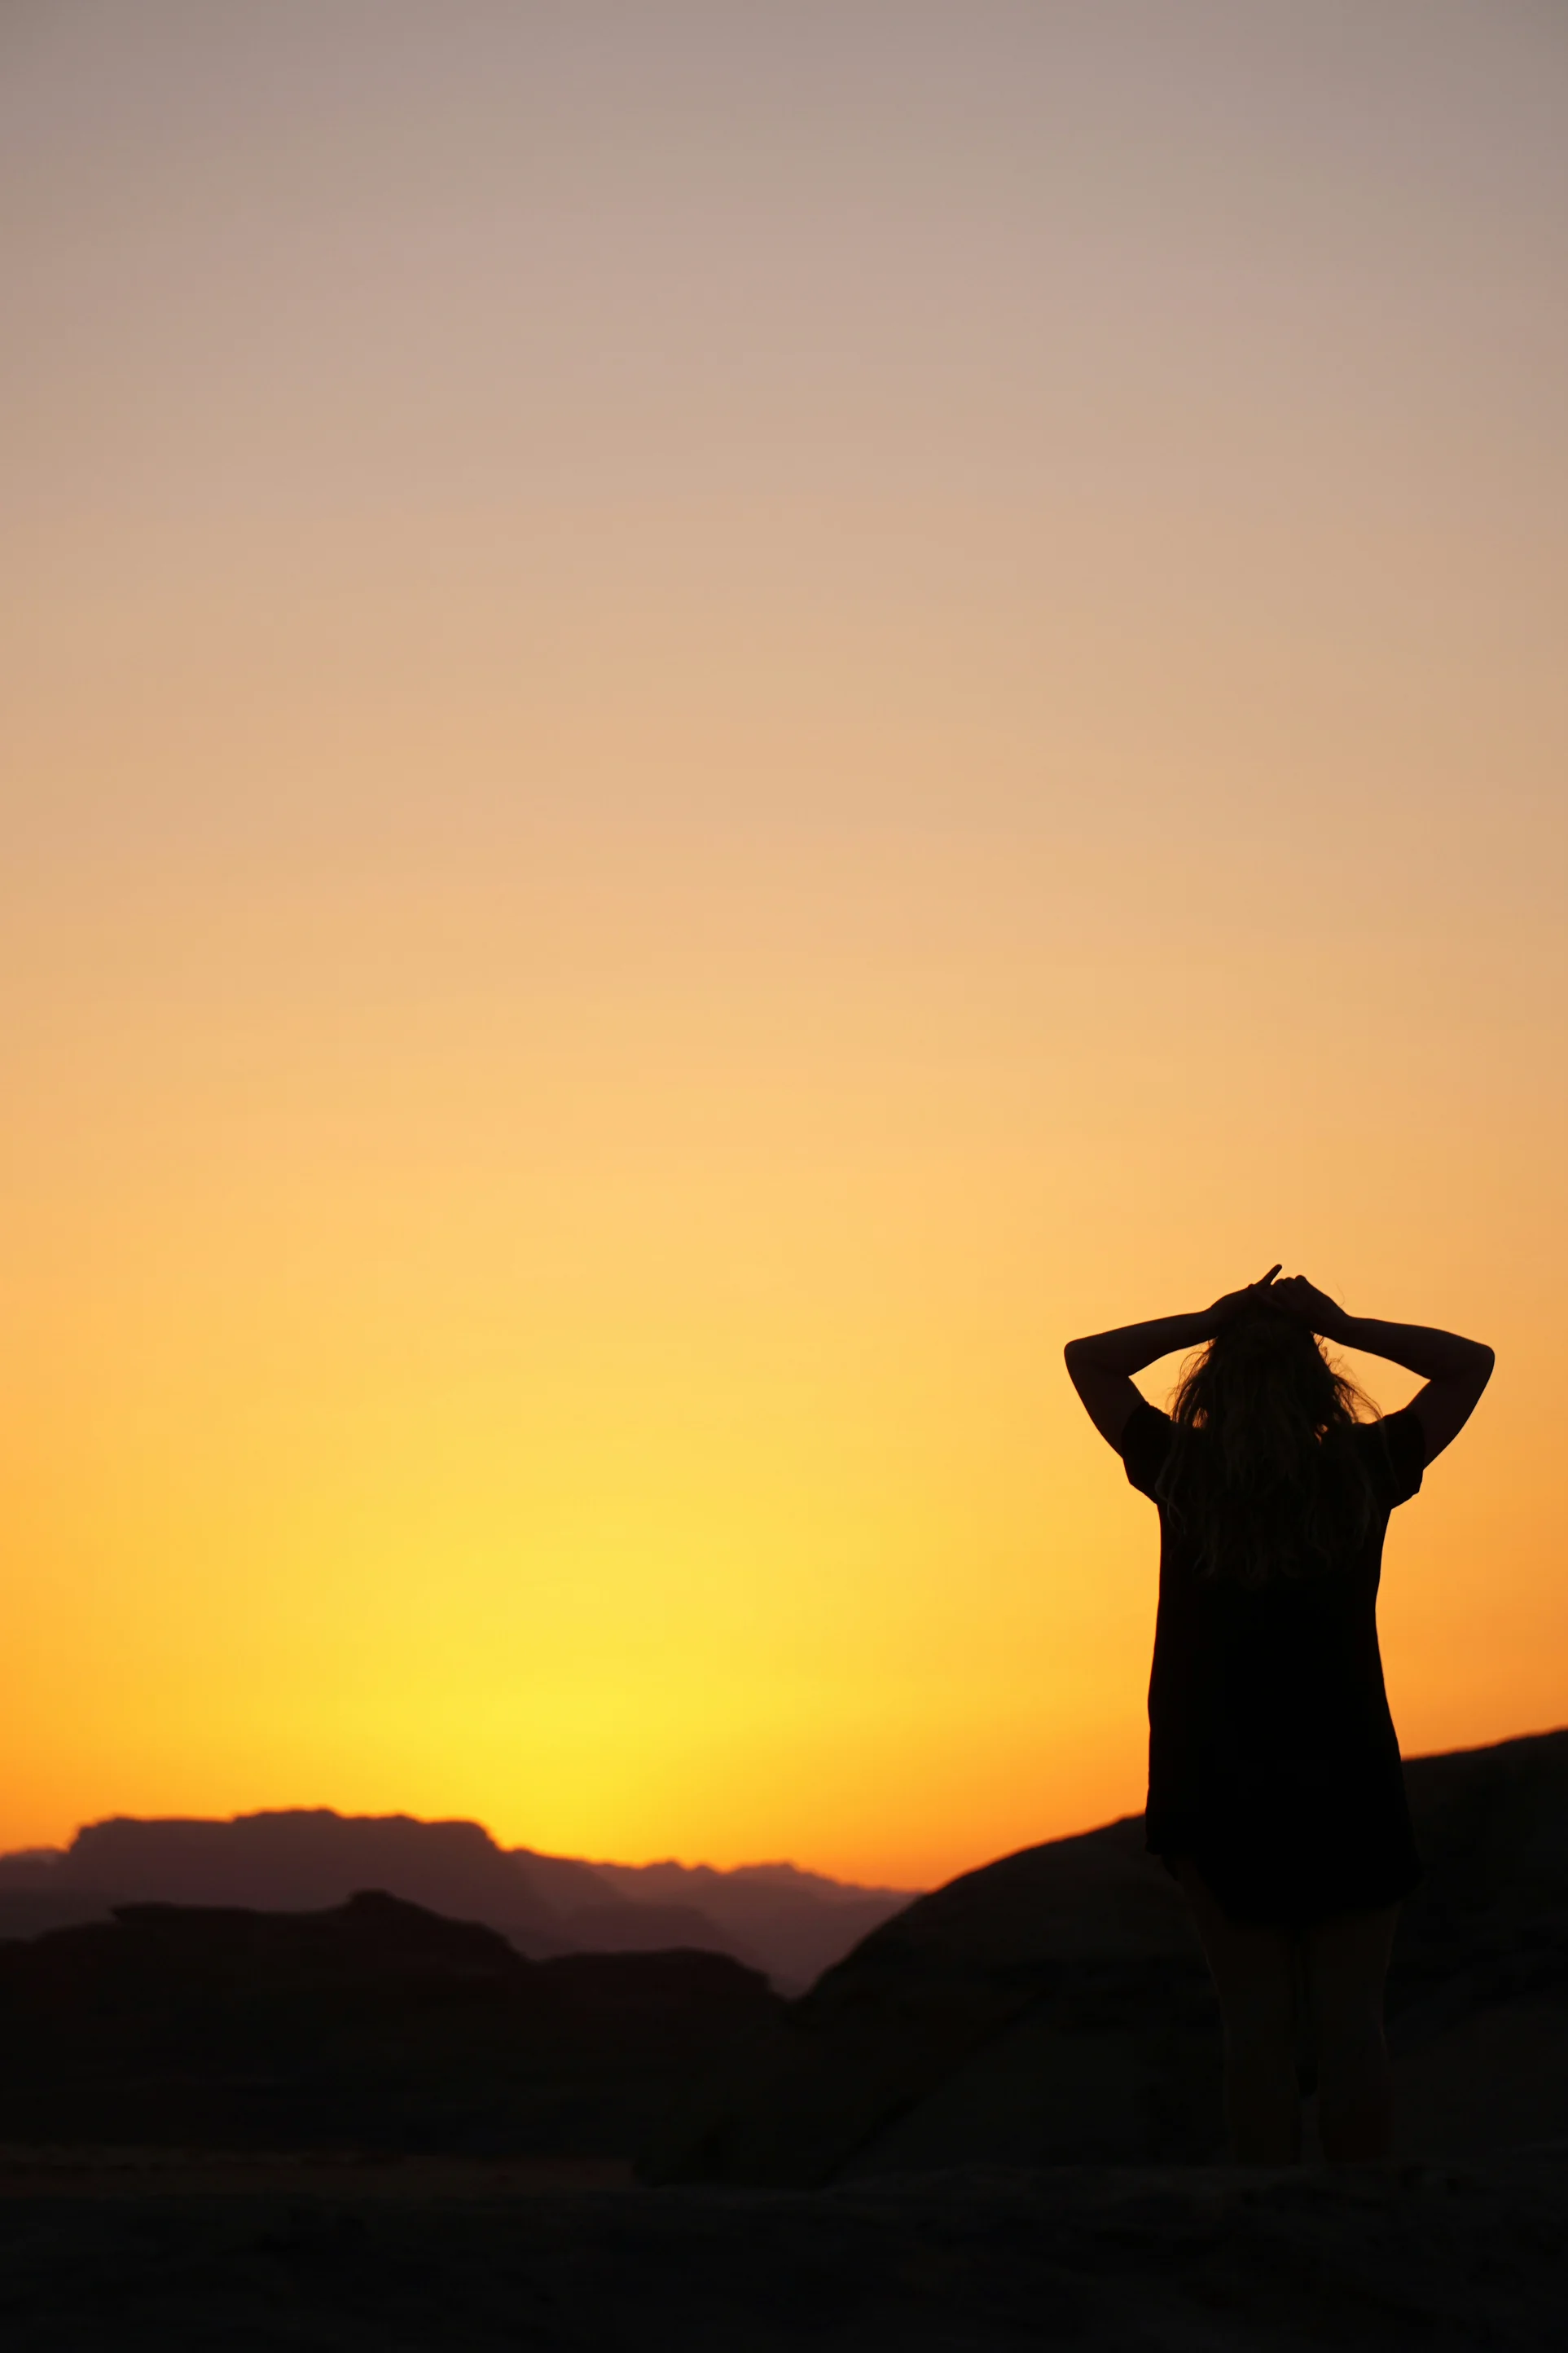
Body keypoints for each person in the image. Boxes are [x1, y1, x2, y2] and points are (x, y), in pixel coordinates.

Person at [1065, 1271, 1493, 2164]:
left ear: (1209, 1386)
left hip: (1210, 1776)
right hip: (1346, 1772)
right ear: (1317, 1386)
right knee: (1351, 2025)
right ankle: (1359, 2224)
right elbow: (1466, 1366)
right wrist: (1342, 1323)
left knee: (1252, 2027)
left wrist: (1206, 1319)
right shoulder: (1363, 1469)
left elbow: (1089, 1359)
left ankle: (1268, 2226)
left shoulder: (1180, 1469)